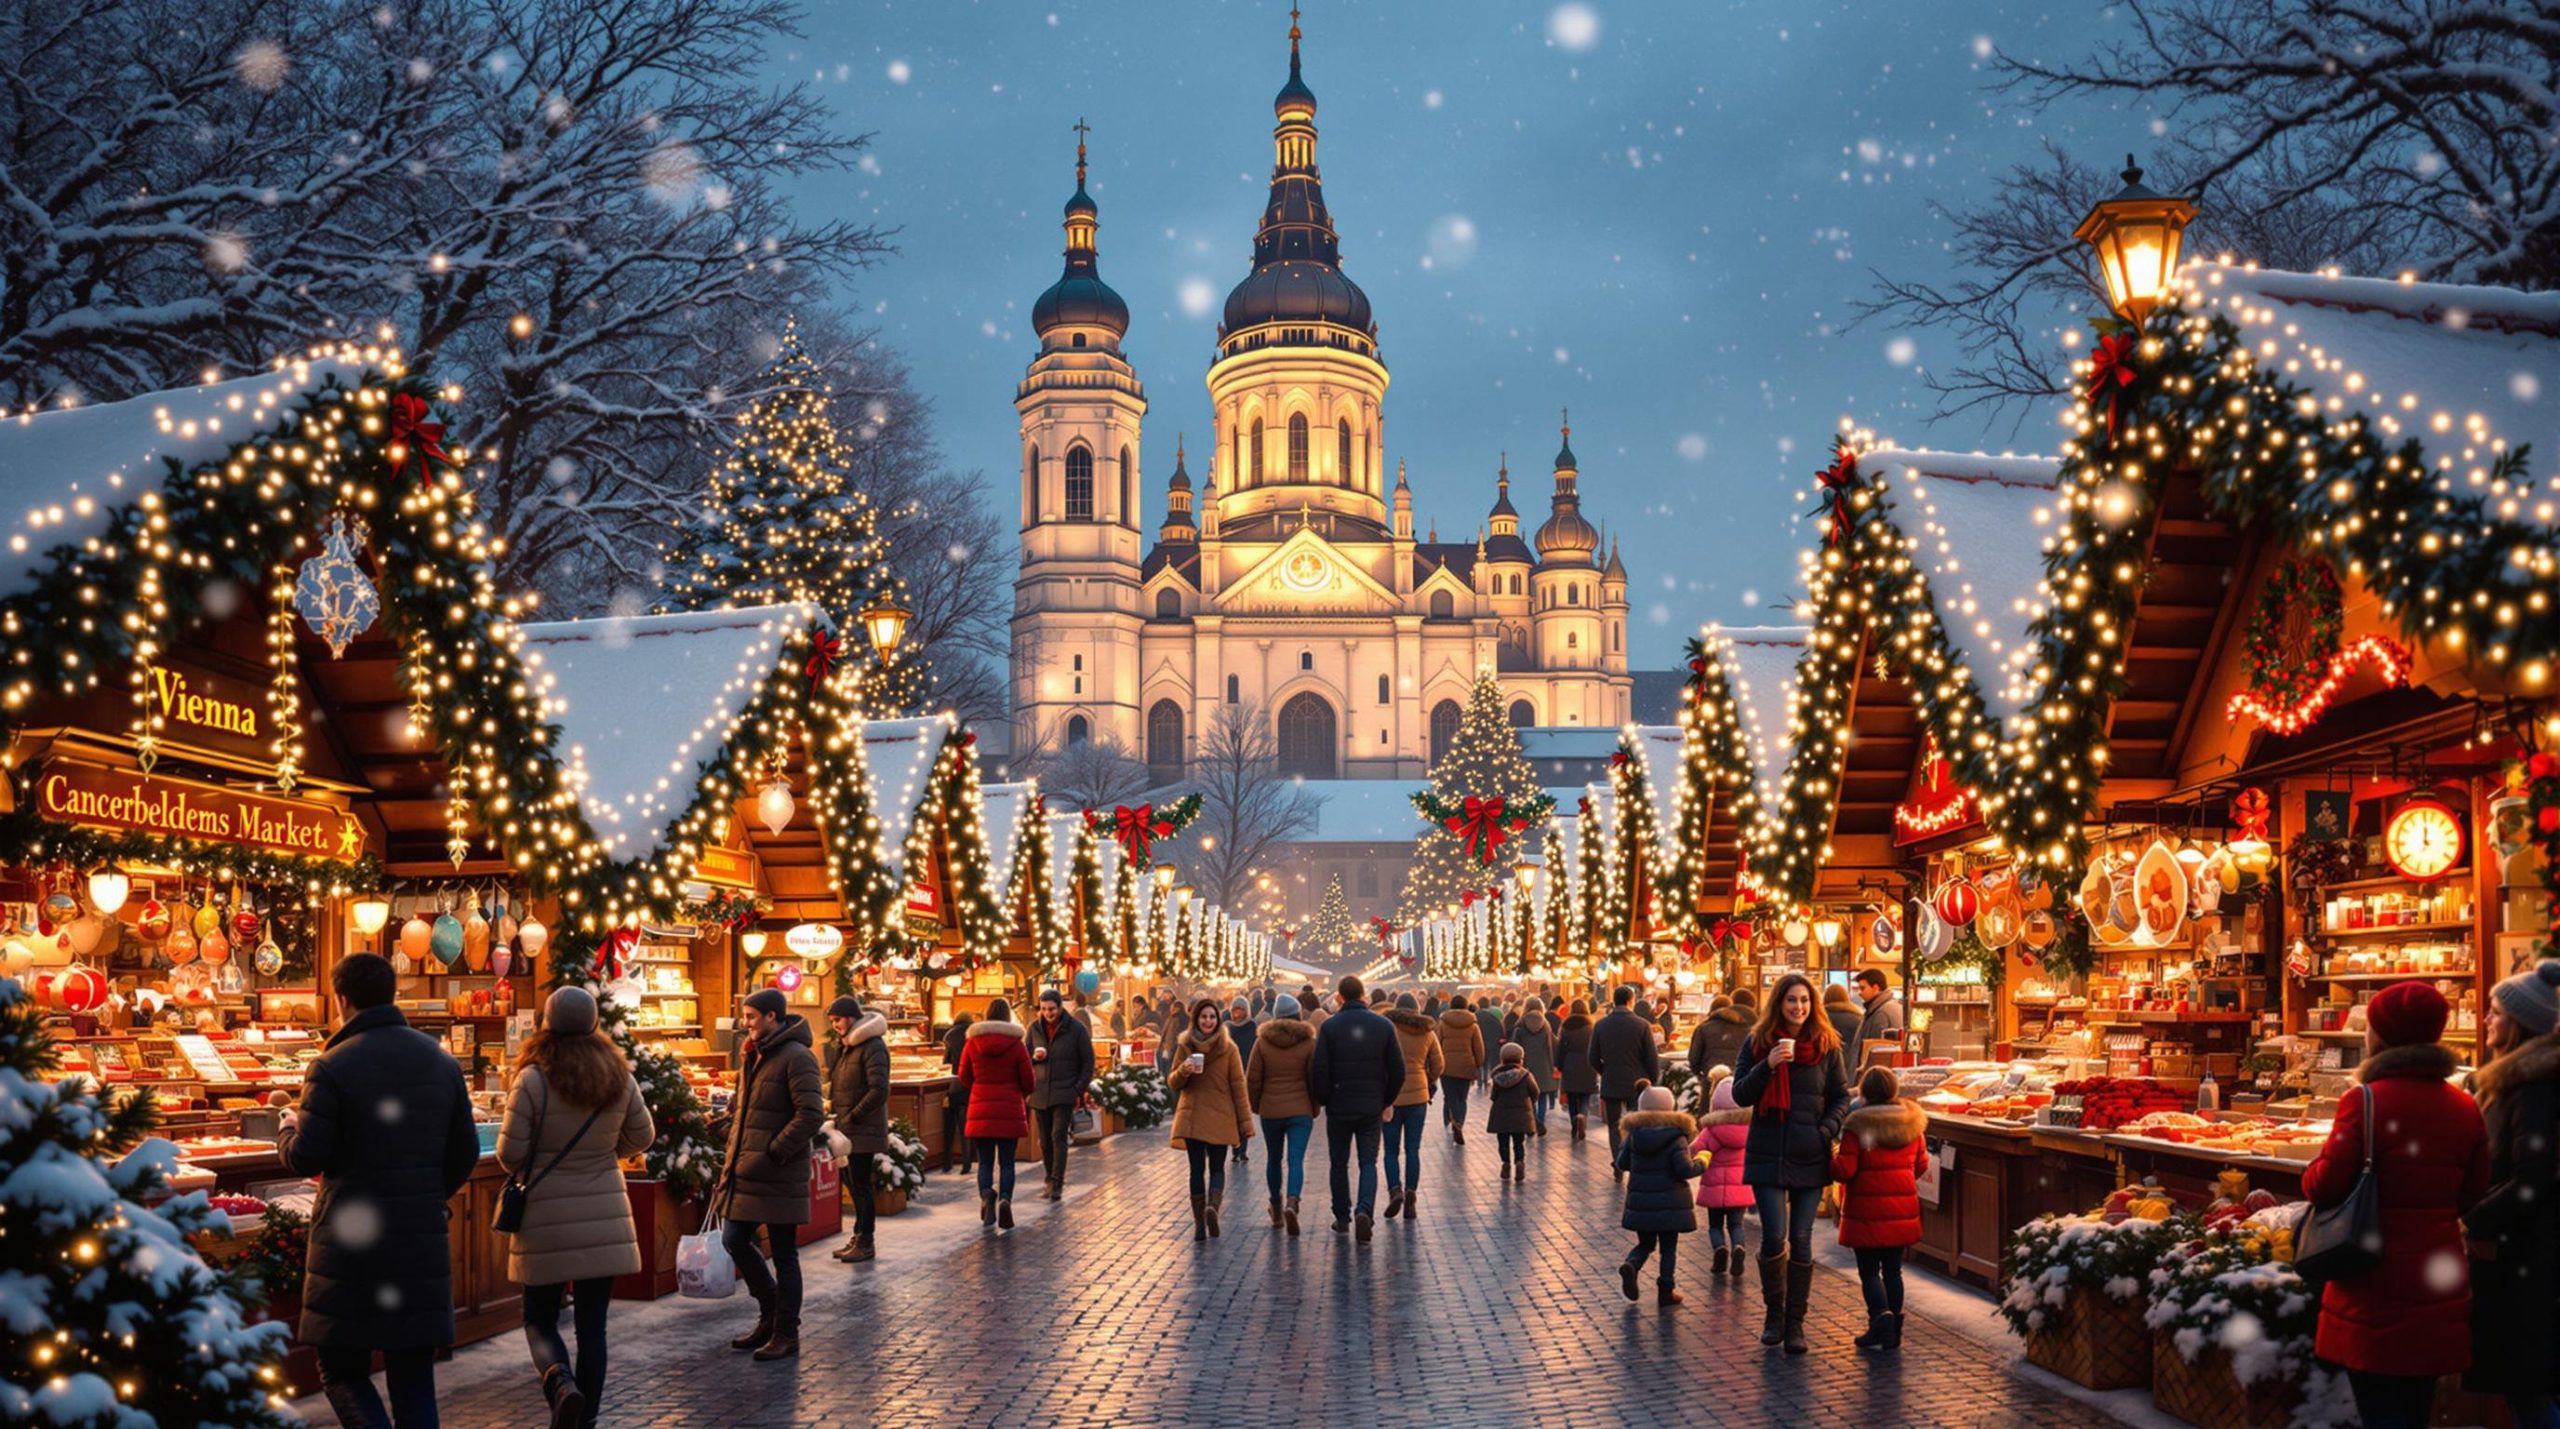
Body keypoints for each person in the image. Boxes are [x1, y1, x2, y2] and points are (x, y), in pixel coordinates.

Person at [279, 952, 480, 1429]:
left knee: (340, 1367)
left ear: (342, 999)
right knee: (413, 1376)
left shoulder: (331, 1066)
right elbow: (465, 1151)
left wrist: (287, 1129)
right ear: (393, 995)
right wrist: (427, 1195)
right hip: (418, 1241)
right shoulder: (440, 1062)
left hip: (351, 1244)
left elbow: (308, 1155)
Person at [2302, 980, 2487, 1429]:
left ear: (2380, 1036)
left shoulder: (2364, 1101)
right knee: (2415, 1404)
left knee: (2378, 1406)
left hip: (2373, 1277)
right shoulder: (2465, 1106)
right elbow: (2473, 1194)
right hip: (2435, 1276)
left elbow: (2324, 1184)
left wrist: (2310, 1173)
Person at [499, 986, 656, 1427]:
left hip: (545, 1216)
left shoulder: (532, 1078)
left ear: (546, 1023)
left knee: (539, 1319)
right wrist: (605, 1153)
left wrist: (539, 1161)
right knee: (593, 1329)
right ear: (592, 1023)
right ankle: (585, 1421)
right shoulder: (618, 1076)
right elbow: (642, 1137)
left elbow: (511, 1153)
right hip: (604, 1213)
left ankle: (560, 1384)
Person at [1731, 971, 1850, 1355]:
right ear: (1778, 1004)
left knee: (1801, 1239)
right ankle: (1773, 1316)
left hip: (1809, 1153)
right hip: (1767, 1151)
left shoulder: (1827, 1046)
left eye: (1804, 1000)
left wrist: (1826, 1129)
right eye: (1791, 1001)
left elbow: (1840, 1097)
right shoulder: (1757, 1043)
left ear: (1812, 1004)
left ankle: (1796, 1323)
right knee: (1772, 1237)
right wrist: (1766, 1064)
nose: (1798, 1007)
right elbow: (1739, 1095)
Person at [2466, 961, 2560, 1428]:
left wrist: (2476, 1222)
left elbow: (2532, 1177)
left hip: (2525, 1254)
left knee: (2527, 1384)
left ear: (2519, 1024)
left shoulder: (2533, 1089)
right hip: (2518, 1250)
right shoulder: (2512, 1083)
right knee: (2524, 1385)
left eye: (2495, 1012)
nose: (2485, 1020)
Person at [714, 988, 824, 1362]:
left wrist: (775, 1150)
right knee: (734, 1239)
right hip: (747, 1169)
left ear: (773, 1017)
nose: (745, 1023)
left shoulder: (797, 1057)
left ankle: (785, 1331)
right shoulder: (752, 1055)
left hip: (778, 1171)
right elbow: (750, 1109)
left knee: (784, 1253)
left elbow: (810, 1115)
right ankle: (770, 1310)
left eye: (751, 1016)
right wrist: (730, 1126)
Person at [1831, 1067, 1928, 1352]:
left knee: (1870, 1271)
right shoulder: (1912, 1124)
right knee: (1894, 1270)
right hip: (1901, 1211)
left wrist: (1830, 1153)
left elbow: (1845, 1170)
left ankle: (1880, 1320)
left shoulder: (1857, 1126)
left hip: (1867, 1212)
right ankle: (1893, 1330)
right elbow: (1921, 1165)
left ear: (1864, 1092)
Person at [1310, 974, 1406, 1242]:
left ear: (1340, 997)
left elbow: (1320, 1069)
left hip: (1339, 1106)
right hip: (1370, 1107)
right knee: (1368, 1162)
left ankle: (1342, 1218)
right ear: (1363, 994)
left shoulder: (1329, 1027)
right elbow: (1398, 1070)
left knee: (1338, 1163)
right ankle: (1364, 1210)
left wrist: (1325, 1098)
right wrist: (1385, 1099)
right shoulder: (1383, 1026)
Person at [1167, 996, 1254, 1240]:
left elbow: (1238, 1086)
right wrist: (1184, 1070)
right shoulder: (1185, 1047)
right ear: (1197, 1019)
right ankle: (1207, 1213)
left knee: (1208, 1168)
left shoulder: (1229, 1049)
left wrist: (1245, 1123)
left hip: (1210, 1115)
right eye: (1204, 1016)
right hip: (1200, 1115)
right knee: (1205, 1169)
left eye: (1212, 1017)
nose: (1208, 1021)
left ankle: (1205, 1216)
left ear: (1218, 1020)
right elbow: (1173, 1082)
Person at [1613, 1081, 1701, 1309]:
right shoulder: (1677, 1136)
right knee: (1668, 1248)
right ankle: (1666, 1290)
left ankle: (1631, 1265)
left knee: (1646, 1244)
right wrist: (1702, 1162)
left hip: (1642, 1202)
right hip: (1671, 1203)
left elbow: (1622, 1163)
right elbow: (1685, 1169)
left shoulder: (1634, 1135)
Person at [955, 997, 1035, 1233]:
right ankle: (1005, 1200)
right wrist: (1020, 1091)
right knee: (1007, 1162)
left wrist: (979, 1087)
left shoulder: (972, 1043)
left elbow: (963, 1076)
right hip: (1009, 1108)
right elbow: (1028, 1080)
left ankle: (987, 1194)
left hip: (981, 1108)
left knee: (985, 1161)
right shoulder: (1017, 1044)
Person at [825, 996, 891, 1263]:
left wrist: (853, 1116)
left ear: (851, 1018)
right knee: (852, 1181)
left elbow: (879, 1089)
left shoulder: (871, 1046)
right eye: (832, 1021)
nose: (835, 1026)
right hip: (848, 1127)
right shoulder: (848, 1046)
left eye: (837, 1020)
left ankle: (866, 1241)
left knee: (861, 1184)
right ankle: (859, 1235)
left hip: (861, 1128)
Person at [1248, 993, 1319, 1234]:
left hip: (1271, 1109)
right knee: (1296, 1159)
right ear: (1298, 1015)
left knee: (1274, 1159)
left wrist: (1257, 1105)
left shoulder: (1262, 1042)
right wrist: (1314, 1106)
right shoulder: (1309, 1042)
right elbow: (1314, 1078)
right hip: (1300, 1110)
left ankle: (1276, 1207)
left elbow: (1253, 1078)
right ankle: (1292, 1202)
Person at [1027, 988, 1095, 1202]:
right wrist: (1033, 1058)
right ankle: (1049, 1177)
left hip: (1064, 1091)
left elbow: (1088, 1060)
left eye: (1052, 1009)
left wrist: (1078, 1088)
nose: (1048, 1013)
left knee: (1058, 1136)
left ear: (1060, 1008)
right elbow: (1025, 1057)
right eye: (1044, 1009)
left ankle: (1057, 1181)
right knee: (1045, 1141)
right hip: (1040, 1092)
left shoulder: (1076, 1029)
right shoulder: (1034, 1029)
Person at [1383, 993, 1444, 1220]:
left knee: (1390, 1150)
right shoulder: (1426, 1031)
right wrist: (1427, 1080)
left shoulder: (1387, 1029)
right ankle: (1411, 1193)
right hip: (1418, 1096)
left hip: (1391, 1096)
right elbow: (1439, 1064)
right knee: (1412, 1149)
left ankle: (1394, 1190)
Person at [1588, 984, 1661, 1170]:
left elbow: (1592, 1057)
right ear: (1631, 1001)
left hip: (1611, 1080)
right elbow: (1651, 1057)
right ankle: (1635, 1158)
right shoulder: (1642, 1025)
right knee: (1635, 1122)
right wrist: (1652, 1079)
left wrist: (1605, 1071)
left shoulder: (1601, 1025)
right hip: (1637, 1082)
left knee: (1614, 1125)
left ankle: (1618, 1161)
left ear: (1614, 1001)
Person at [1690, 1070, 1752, 1279]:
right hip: (1740, 1187)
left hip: (1714, 1187)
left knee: (1715, 1225)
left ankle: (1719, 1250)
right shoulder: (1749, 1129)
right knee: (1736, 1224)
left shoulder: (1709, 1130)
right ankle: (1738, 1247)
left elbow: (1694, 1149)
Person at [1485, 1042, 1539, 1181]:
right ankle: (1519, 1162)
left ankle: (1506, 1163)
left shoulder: (1497, 1075)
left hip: (1501, 1116)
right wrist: (1529, 1102)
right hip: (1520, 1116)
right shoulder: (1525, 1075)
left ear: (1502, 1058)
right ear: (1520, 1059)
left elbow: (1493, 1096)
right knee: (1518, 1141)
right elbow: (1535, 1091)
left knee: (1503, 1142)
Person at [1437, 993, 1486, 1143]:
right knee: (1462, 1098)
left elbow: (1437, 1044)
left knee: (1450, 1096)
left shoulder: (1443, 1023)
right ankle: (1459, 1123)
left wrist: (1435, 1064)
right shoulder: (1473, 1025)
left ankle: (1453, 1121)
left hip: (1447, 1066)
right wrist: (1478, 1064)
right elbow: (1479, 1048)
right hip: (1466, 1066)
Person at [1688, 992, 1755, 1085]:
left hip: (1712, 1079)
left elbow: (1694, 1060)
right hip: (1741, 1082)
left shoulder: (1704, 1028)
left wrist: (1702, 1075)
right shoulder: (1752, 1030)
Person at [1513, 997, 1558, 1131]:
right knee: (1542, 1096)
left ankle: (1532, 1121)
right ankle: (1540, 1121)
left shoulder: (1520, 1025)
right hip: (1544, 1066)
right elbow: (1554, 1044)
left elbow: (1515, 1046)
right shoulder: (1546, 1025)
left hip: (1526, 1066)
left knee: (1529, 1097)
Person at [1556, 999, 1598, 1141]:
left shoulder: (1566, 1025)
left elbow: (1561, 1048)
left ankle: (1574, 1124)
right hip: (1587, 1063)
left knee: (1572, 1098)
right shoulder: (1592, 1026)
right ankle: (1583, 1118)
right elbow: (1596, 1047)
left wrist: (1560, 1065)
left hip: (1570, 1062)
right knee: (1585, 1097)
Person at [940, 1011, 976, 1174]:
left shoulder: (949, 1035)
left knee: (949, 1125)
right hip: (971, 1085)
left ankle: (947, 1162)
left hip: (954, 1083)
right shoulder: (974, 1034)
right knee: (965, 1126)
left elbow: (946, 1060)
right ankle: (967, 1162)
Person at [1851, 968, 1904, 1056]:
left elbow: (1876, 1051)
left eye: (1863, 988)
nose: (1859, 993)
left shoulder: (1881, 1013)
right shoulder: (1889, 1006)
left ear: (1875, 988)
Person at [1822, 983, 1863, 1073]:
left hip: (1826, 1065)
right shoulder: (1858, 1018)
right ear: (1846, 997)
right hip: (1851, 1066)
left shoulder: (1821, 1019)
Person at [1475, 994, 1507, 1089]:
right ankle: (1485, 1079)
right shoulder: (1492, 1017)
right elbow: (1499, 1029)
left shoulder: (1474, 1016)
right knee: (1486, 1062)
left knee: (1478, 1061)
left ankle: (1479, 1080)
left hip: (1477, 1041)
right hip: (1490, 1043)